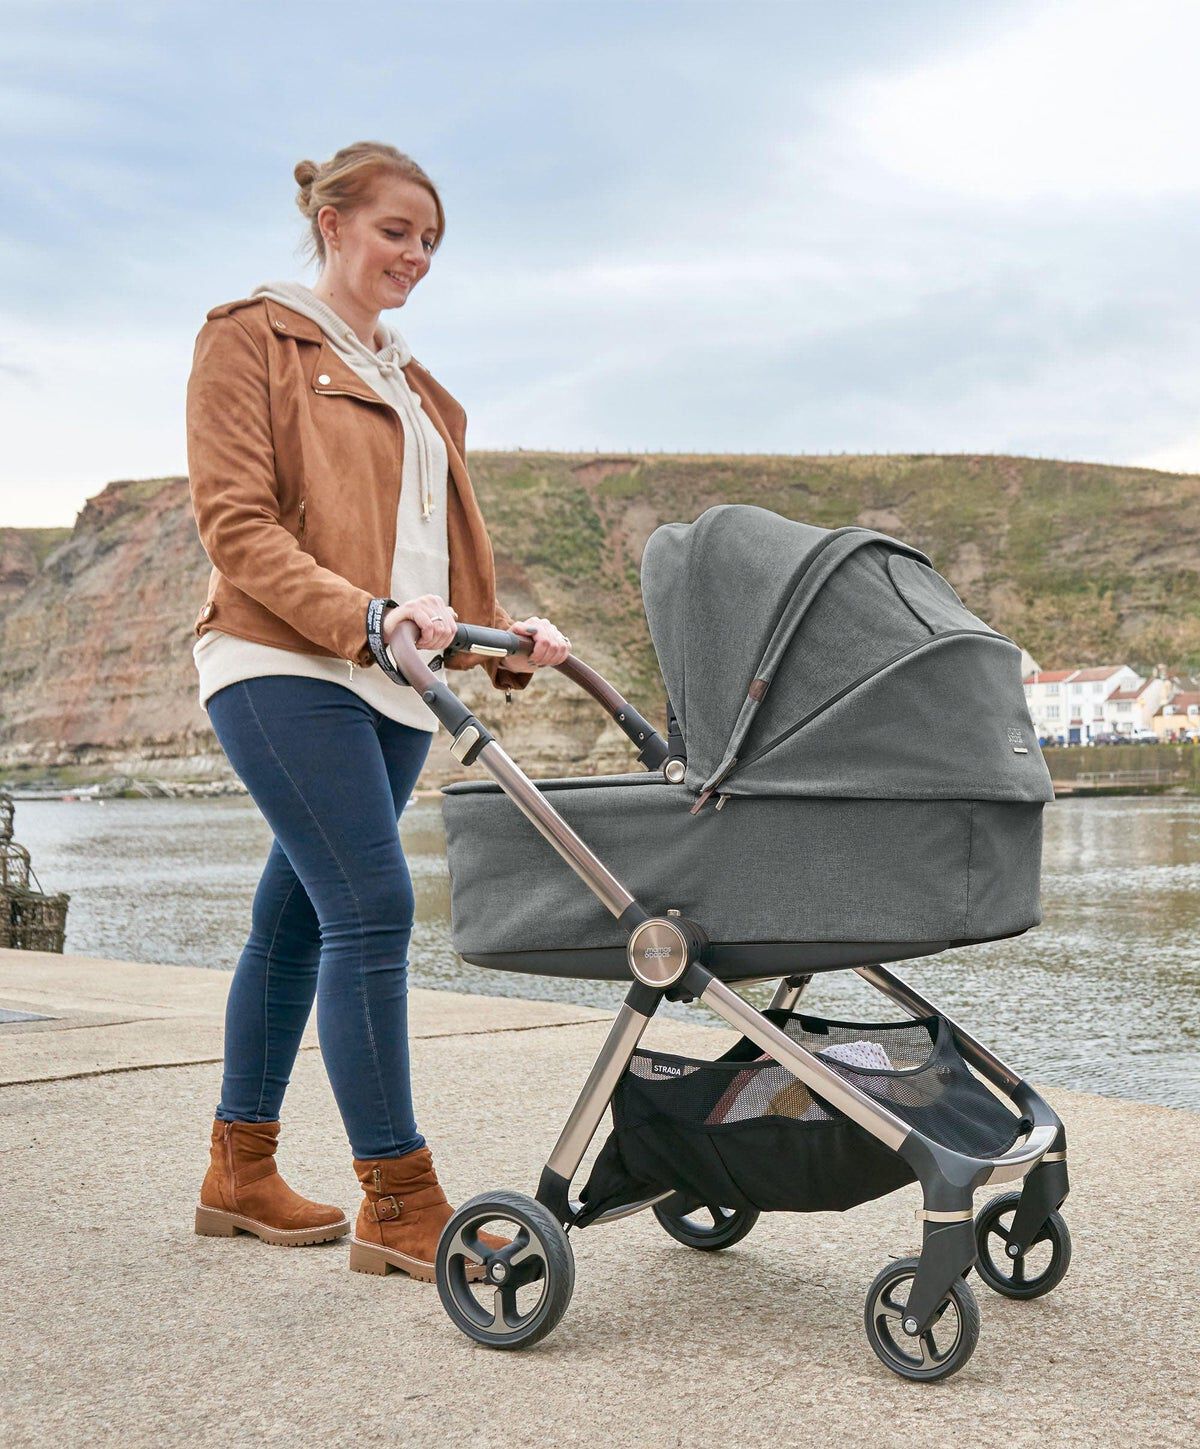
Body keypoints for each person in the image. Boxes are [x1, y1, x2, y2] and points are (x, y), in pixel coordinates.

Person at [186, 141, 570, 1281]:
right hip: (281, 656)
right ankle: (399, 1199)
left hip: (396, 680)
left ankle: (239, 1171)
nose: (415, 256)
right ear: (333, 222)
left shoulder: (420, 387)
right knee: (372, 904)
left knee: (297, 921)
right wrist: (359, 615)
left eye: (431, 242)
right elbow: (237, 524)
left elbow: (426, 554)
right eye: (396, 231)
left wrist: (506, 636)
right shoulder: (251, 337)